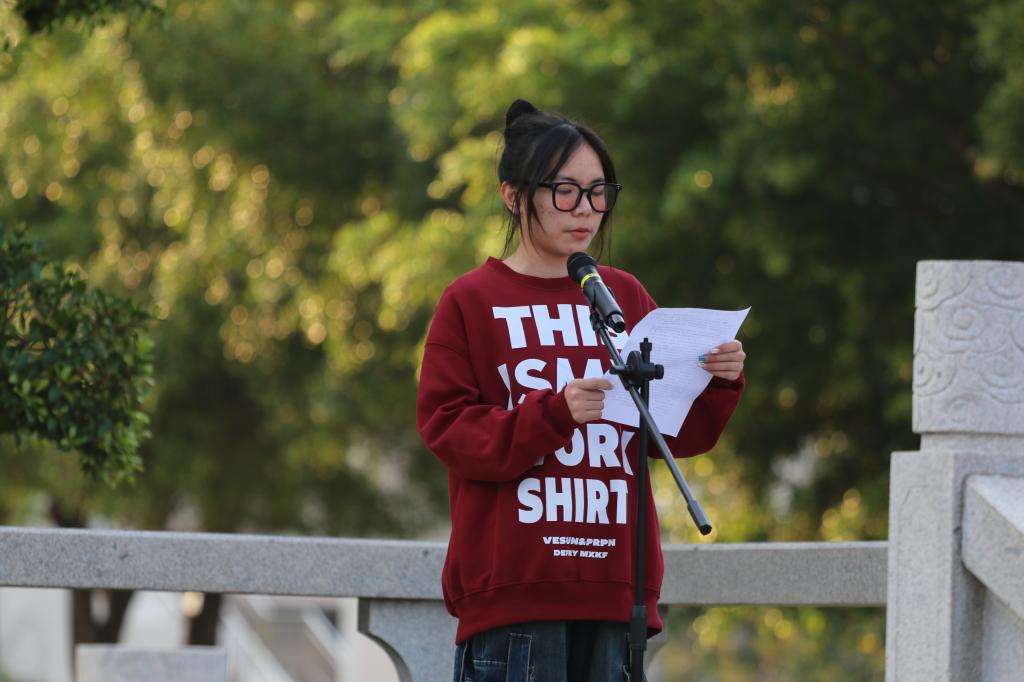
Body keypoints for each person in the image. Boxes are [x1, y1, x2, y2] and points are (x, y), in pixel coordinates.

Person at [416, 98, 746, 682]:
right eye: (565, 191)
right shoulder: (471, 300)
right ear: (514, 196)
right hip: (516, 593)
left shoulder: (623, 296)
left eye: (598, 192)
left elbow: (670, 434)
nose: (586, 210)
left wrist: (718, 379)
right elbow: (450, 431)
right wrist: (554, 414)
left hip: (614, 590)